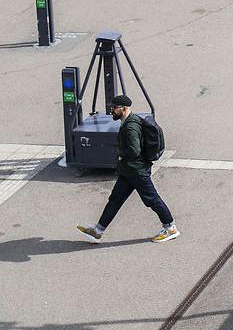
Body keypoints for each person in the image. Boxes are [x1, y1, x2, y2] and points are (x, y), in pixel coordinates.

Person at [76, 96, 177, 243]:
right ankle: (97, 231)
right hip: (128, 171)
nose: (112, 111)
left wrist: (120, 154)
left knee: (152, 200)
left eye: (114, 108)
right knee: (115, 200)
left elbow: (134, 150)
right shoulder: (130, 121)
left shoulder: (130, 127)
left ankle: (170, 228)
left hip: (137, 172)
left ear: (123, 108)